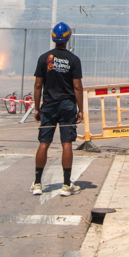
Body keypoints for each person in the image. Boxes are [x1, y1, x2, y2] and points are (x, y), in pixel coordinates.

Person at [32, 22, 84, 197]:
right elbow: (77, 87)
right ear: (68, 38)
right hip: (67, 107)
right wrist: (81, 109)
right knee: (66, 143)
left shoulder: (45, 58)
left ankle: (38, 183)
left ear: (53, 37)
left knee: (44, 143)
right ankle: (66, 184)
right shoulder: (73, 60)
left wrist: (37, 107)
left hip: (48, 106)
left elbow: (38, 85)